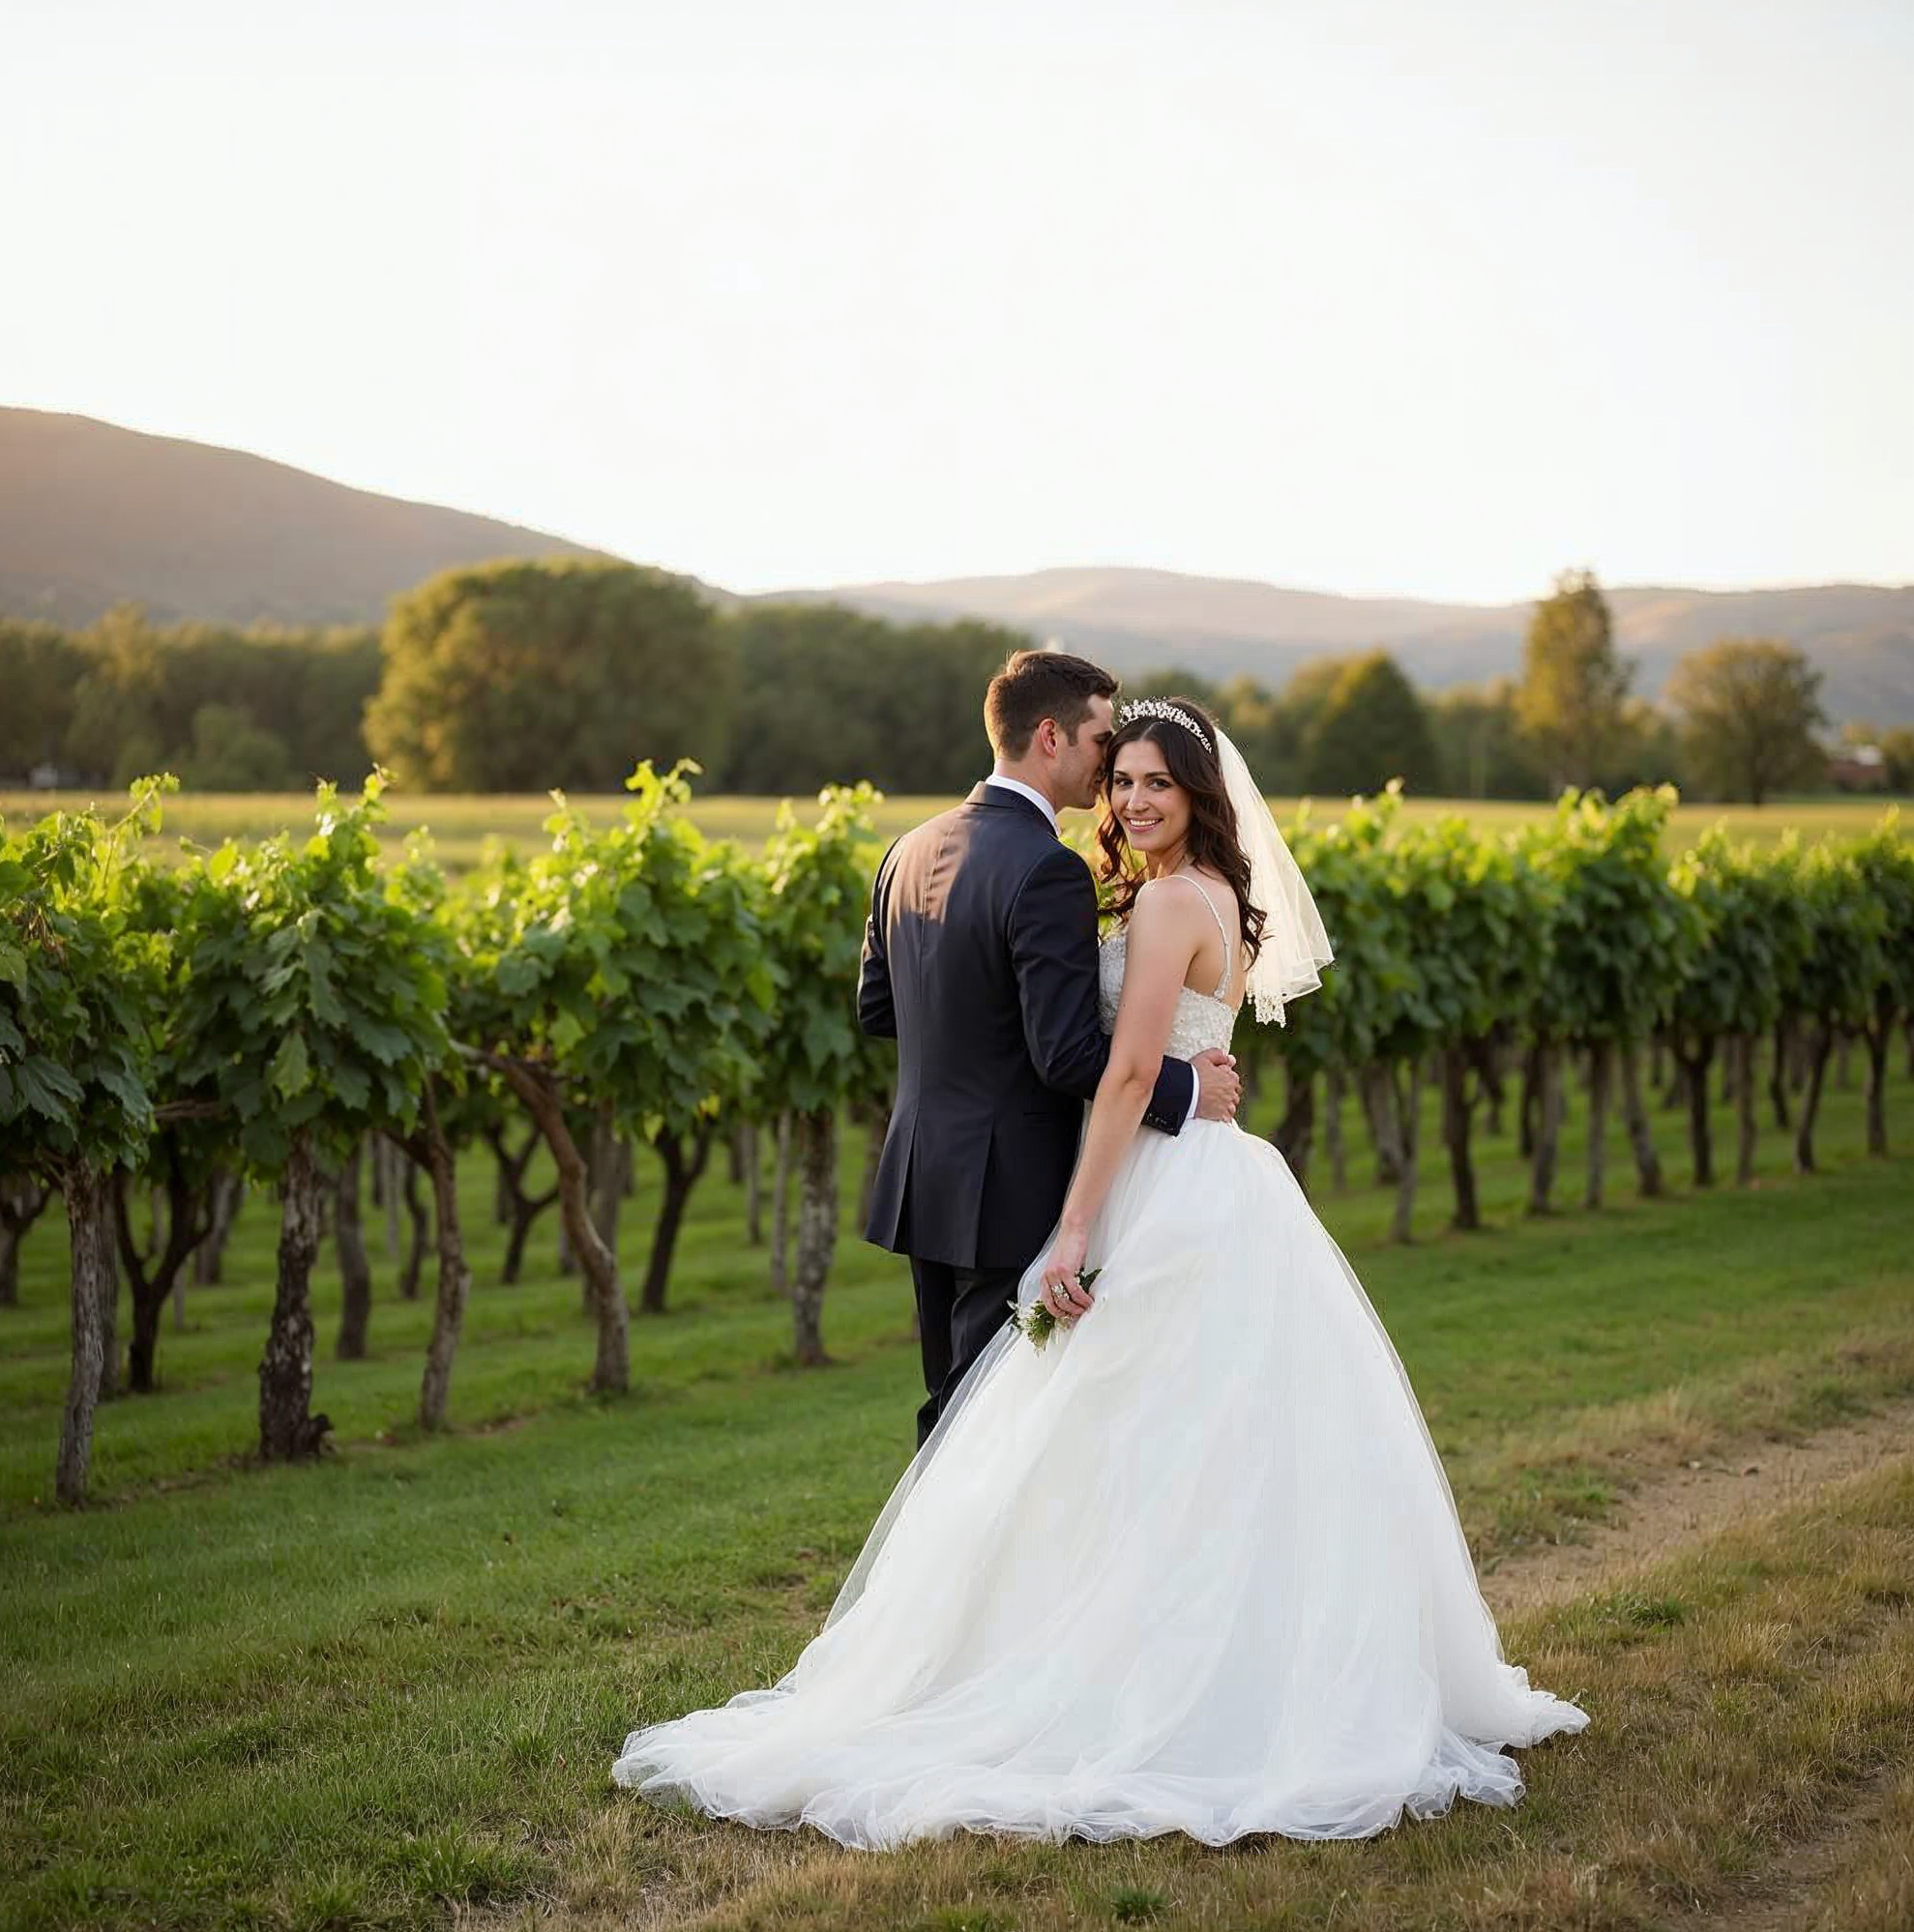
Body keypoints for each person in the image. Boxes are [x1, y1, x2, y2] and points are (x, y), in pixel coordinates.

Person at [611, 688, 1588, 1849]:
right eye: (1118, 777)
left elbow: (1102, 1067)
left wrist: (1072, 1228)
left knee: (1090, 1434)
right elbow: (1103, 1048)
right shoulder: (1178, 893)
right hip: (1164, 1173)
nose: (1126, 799)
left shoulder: (1086, 883)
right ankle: (1094, 1649)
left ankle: (1067, 1663)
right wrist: (1165, 1085)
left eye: (1152, 783)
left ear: (1197, 794)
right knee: (1138, 1436)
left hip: (1114, 1187)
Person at [856, 651, 1243, 1448]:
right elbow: (1063, 1055)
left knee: (952, 1407)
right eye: (1103, 744)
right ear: (1050, 737)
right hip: (1007, 1182)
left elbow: (879, 1009)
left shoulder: (907, 849)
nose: (1109, 768)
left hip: (923, 1171)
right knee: (991, 1422)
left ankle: (938, 1534)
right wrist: (1184, 1088)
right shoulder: (1047, 869)